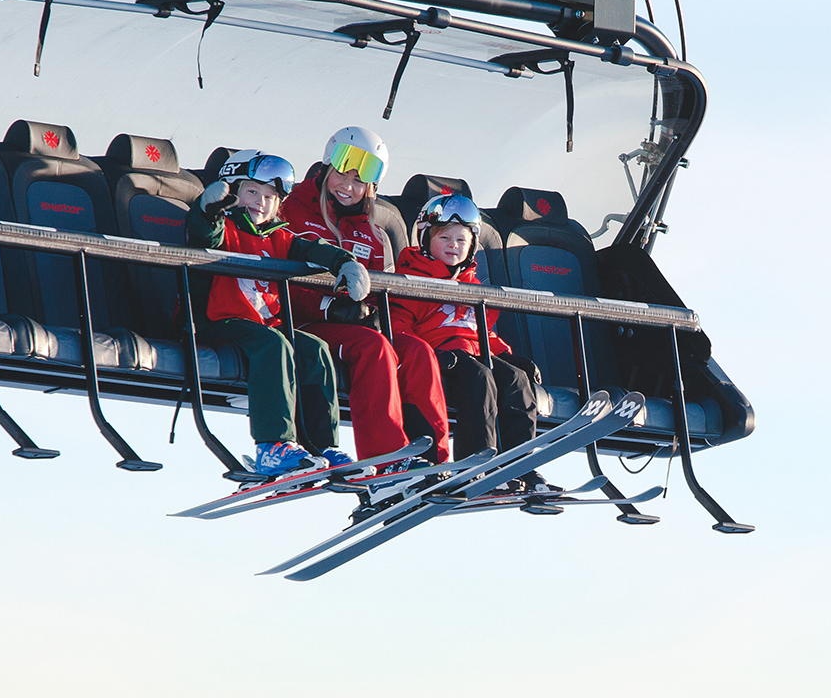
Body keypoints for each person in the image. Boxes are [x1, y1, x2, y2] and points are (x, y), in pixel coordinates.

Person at [188, 149, 369, 476]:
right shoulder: (225, 228)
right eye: (252, 192)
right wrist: (208, 209)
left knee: (314, 349)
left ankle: (322, 445)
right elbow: (205, 233)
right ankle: (272, 446)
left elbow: (314, 249)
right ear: (232, 191)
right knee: (274, 344)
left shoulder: (279, 238)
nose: (261, 202)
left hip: (260, 326)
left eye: (270, 197)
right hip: (216, 320)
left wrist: (345, 262)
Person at [282, 126, 452, 464]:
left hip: (352, 325)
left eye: (360, 180)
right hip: (300, 322)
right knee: (373, 348)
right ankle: (386, 457)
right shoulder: (293, 212)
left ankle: (432, 458)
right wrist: (329, 308)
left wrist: (372, 312)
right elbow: (281, 280)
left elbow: (377, 290)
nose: (348, 186)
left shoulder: (371, 233)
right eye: (343, 173)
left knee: (416, 350)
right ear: (327, 167)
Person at [389, 193, 558, 493]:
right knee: (478, 377)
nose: (453, 245)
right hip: (444, 361)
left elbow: (483, 333)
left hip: (474, 354)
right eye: (444, 237)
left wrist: (506, 355)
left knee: (516, 379)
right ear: (426, 238)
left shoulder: (472, 287)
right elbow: (398, 324)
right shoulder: (412, 279)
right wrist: (429, 354)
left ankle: (518, 464)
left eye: (461, 240)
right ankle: (475, 464)